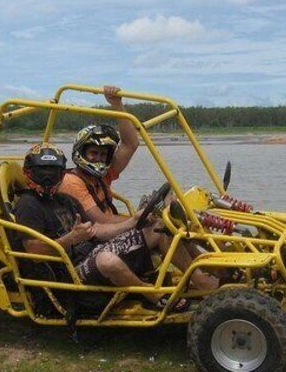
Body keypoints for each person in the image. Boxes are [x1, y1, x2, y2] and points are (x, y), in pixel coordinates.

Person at [12, 145, 217, 309]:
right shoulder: (28, 205)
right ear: (30, 173)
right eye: (42, 172)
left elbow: (97, 230)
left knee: (160, 228)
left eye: (53, 172)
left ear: (61, 173)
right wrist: (71, 239)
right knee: (108, 260)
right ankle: (151, 293)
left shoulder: (65, 200)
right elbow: (32, 249)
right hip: (71, 271)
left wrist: (133, 222)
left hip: (91, 253)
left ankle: (202, 281)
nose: (48, 178)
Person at [59, 85, 139, 223]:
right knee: (157, 231)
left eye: (103, 154)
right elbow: (100, 221)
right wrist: (138, 220)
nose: (98, 158)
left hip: (112, 230)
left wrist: (117, 104)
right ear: (81, 152)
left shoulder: (102, 177)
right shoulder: (72, 182)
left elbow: (131, 144)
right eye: (93, 153)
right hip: (95, 238)